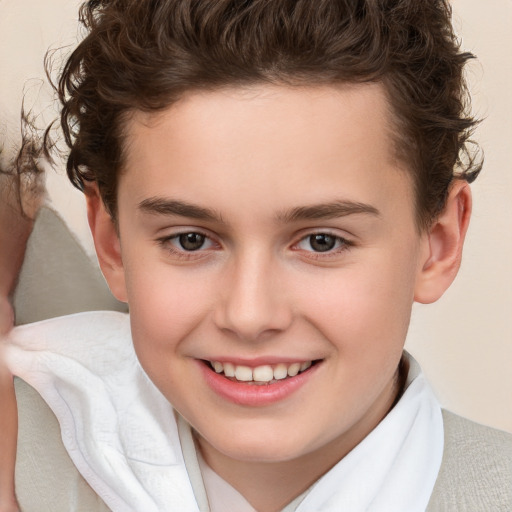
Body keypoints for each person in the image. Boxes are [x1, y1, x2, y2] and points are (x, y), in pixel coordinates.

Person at [1, 0, 511, 510]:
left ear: (438, 243)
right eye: (190, 240)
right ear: (111, 242)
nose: (249, 315)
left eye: (322, 241)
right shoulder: (22, 450)